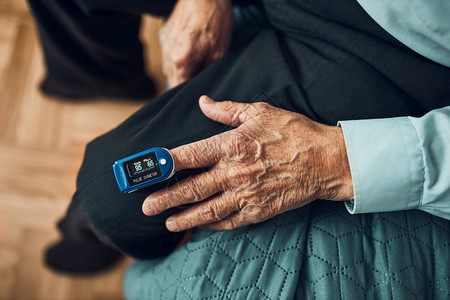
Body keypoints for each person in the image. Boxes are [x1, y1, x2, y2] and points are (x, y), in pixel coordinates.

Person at [28, 0, 449, 297]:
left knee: (111, 194)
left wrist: (338, 160)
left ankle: (84, 236)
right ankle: (99, 76)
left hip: (389, 47)